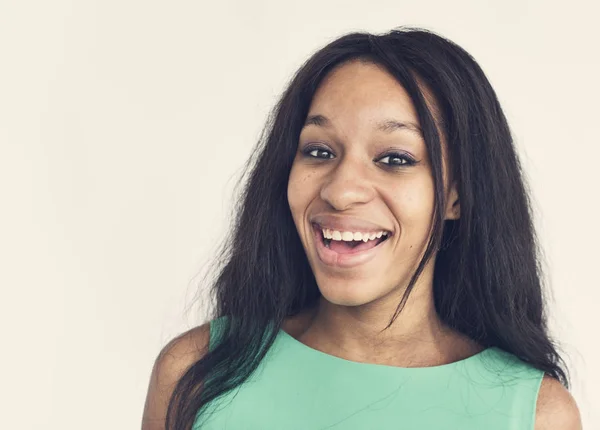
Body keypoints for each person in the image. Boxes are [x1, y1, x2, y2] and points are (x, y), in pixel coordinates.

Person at [141, 27, 582, 430]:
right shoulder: (196, 373)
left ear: (457, 196)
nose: (341, 190)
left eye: (395, 159)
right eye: (318, 151)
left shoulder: (534, 414)